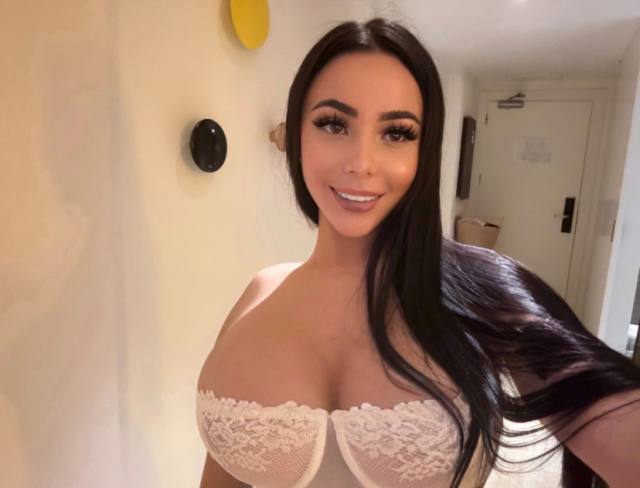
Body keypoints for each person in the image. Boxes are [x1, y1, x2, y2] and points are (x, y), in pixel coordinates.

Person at [196, 17, 640, 488]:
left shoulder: (481, 293)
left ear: (423, 152)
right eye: (333, 124)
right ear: (297, 136)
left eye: (396, 133)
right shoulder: (260, 293)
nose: (361, 163)